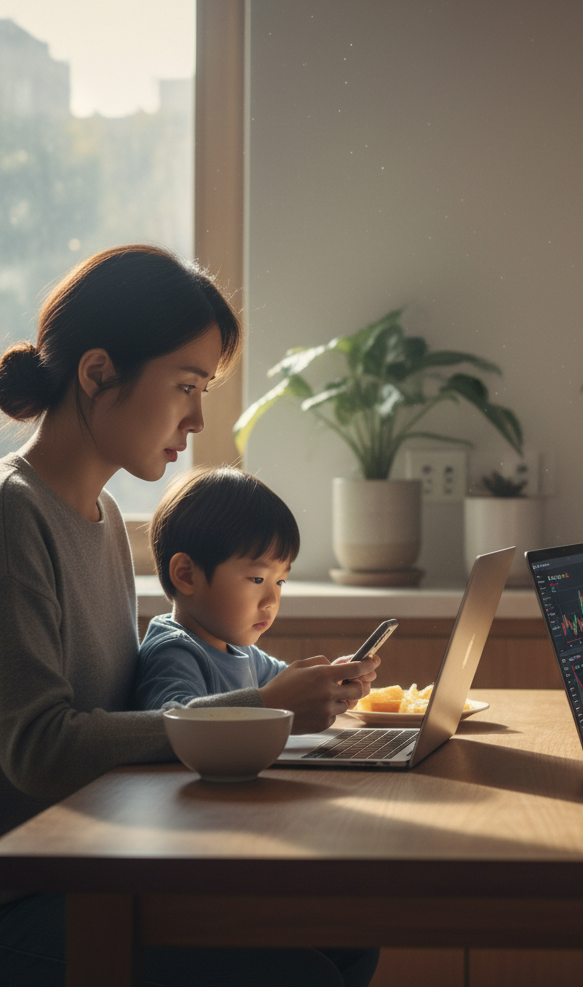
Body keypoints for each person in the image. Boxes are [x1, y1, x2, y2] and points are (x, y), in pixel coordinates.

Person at [0, 245, 380, 986]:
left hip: (104, 858)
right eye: (185, 386)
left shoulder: (105, 518)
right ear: (98, 373)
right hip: (30, 890)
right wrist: (259, 709)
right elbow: (40, 748)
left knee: (348, 933)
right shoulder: (14, 518)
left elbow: (116, 717)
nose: (198, 418)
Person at [135, 465, 303, 710]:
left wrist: (333, 678)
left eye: (280, 582)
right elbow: (173, 724)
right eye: (258, 579)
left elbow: (290, 685)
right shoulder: (173, 653)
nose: (271, 600)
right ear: (187, 575)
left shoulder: (241, 651)